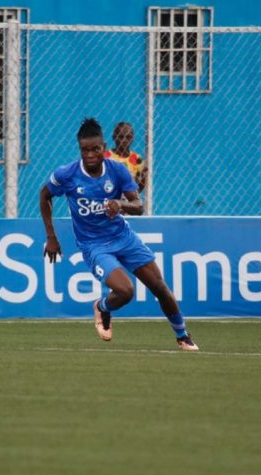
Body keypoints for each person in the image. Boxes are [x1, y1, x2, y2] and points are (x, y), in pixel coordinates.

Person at [40, 117, 197, 351]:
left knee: (159, 287)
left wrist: (120, 204)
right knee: (125, 291)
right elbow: (45, 196)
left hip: (124, 238)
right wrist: (51, 237)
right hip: (94, 245)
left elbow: (139, 206)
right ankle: (103, 307)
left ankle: (182, 335)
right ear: (80, 149)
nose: (90, 155)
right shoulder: (67, 174)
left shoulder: (118, 171)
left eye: (95, 149)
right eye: (85, 150)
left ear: (104, 147)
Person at [104, 121, 148, 193]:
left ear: (133, 138)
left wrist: (143, 179)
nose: (124, 140)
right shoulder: (106, 157)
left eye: (128, 137)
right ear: (114, 137)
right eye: (121, 137)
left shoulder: (137, 159)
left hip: (129, 199)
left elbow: (138, 188)